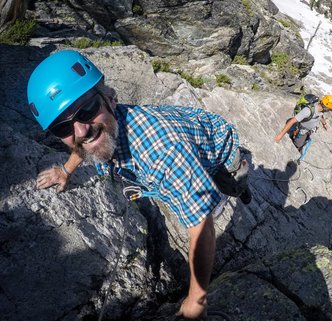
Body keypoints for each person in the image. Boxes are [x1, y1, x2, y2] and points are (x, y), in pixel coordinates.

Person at [27, 50, 251, 319]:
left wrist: (196, 300)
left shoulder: (164, 154)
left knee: (231, 186)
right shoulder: (95, 127)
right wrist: (65, 170)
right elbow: (81, 142)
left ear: (110, 98)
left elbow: (202, 226)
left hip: (219, 151)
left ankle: (240, 183)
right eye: (62, 128)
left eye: (86, 110)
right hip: (190, 135)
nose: (81, 130)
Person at [273, 94, 332, 159]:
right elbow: (292, 121)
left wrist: (324, 123)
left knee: (305, 140)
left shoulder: (321, 109)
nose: (329, 111)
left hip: (310, 130)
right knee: (298, 144)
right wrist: (280, 135)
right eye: (329, 109)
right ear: (326, 107)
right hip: (303, 130)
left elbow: (320, 115)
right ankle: (293, 136)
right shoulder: (308, 111)